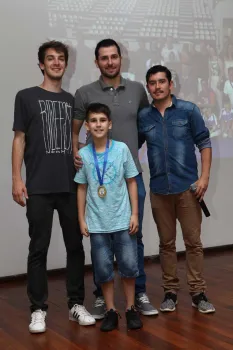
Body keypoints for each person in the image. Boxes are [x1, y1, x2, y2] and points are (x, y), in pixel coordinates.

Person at [12, 40, 96, 334]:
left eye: (61, 58)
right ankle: (38, 309)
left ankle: (76, 304)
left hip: (71, 186)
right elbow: (19, 139)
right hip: (38, 187)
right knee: (39, 248)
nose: (57, 62)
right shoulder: (25, 96)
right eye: (51, 58)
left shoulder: (73, 100)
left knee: (75, 247)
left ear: (66, 64)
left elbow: (74, 142)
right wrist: (16, 179)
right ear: (41, 64)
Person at [73, 38, 158, 319]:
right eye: (104, 57)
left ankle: (139, 293)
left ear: (120, 58)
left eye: (114, 56)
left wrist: (129, 155)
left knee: (135, 235)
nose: (110, 61)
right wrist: (76, 154)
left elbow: (144, 128)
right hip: (98, 184)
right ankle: (102, 297)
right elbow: (75, 132)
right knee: (101, 242)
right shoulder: (84, 93)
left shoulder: (137, 90)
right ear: (96, 62)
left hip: (130, 178)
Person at [138, 65, 216, 314]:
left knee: (193, 243)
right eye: (152, 83)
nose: (157, 86)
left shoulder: (188, 110)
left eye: (162, 81)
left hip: (188, 188)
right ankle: (170, 292)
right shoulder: (143, 117)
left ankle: (198, 292)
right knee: (166, 244)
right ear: (148, 87)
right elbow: (130, 147)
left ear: (171, 84)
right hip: (159, 190)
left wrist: (204, 178)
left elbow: (204, 143)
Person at [74, 102, 143, 332]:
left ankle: (131, 308)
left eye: (102, 120)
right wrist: (82, 219)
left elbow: (132, 181)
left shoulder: (121, 149)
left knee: (129, 266)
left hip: (123, 220)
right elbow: (82, 188)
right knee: (103, 269)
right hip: (97, 224)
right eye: (93, 121)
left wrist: (134, 213)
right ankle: (111, 310)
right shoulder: (83, 154)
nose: (98, 124)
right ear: (87, 125)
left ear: (110, 124)